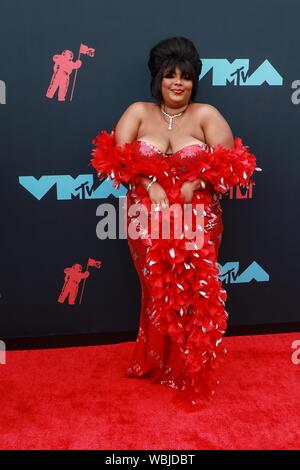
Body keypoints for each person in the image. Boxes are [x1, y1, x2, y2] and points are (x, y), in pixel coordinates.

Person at [90, 36, 259, 409]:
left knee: (196, 290)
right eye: (170, 76)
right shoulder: (137, 111)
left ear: (194, 80)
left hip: (197, 215)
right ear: (159, 80)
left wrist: (196, 182)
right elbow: (117, 161)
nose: (178, 83)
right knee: (158, 289)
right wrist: (150, 185)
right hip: (145, 218)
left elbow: (233, 165)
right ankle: (155, 363)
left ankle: (189, 367)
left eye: (185, 76)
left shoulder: (206, 115)